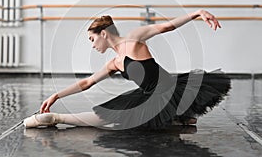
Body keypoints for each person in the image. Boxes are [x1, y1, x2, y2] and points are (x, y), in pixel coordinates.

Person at [24, 10, 231, 129]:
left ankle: (177, 115)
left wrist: (197, 13)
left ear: (103, 34)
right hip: (148, 95)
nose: (92, 45)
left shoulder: (134, 39)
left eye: (92, 39)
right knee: (109, 114)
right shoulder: (114, 63)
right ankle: (56, 117)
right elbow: (86, 83)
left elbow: (167, 27)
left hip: (169, 89)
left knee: (181, 120)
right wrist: (56, 96)